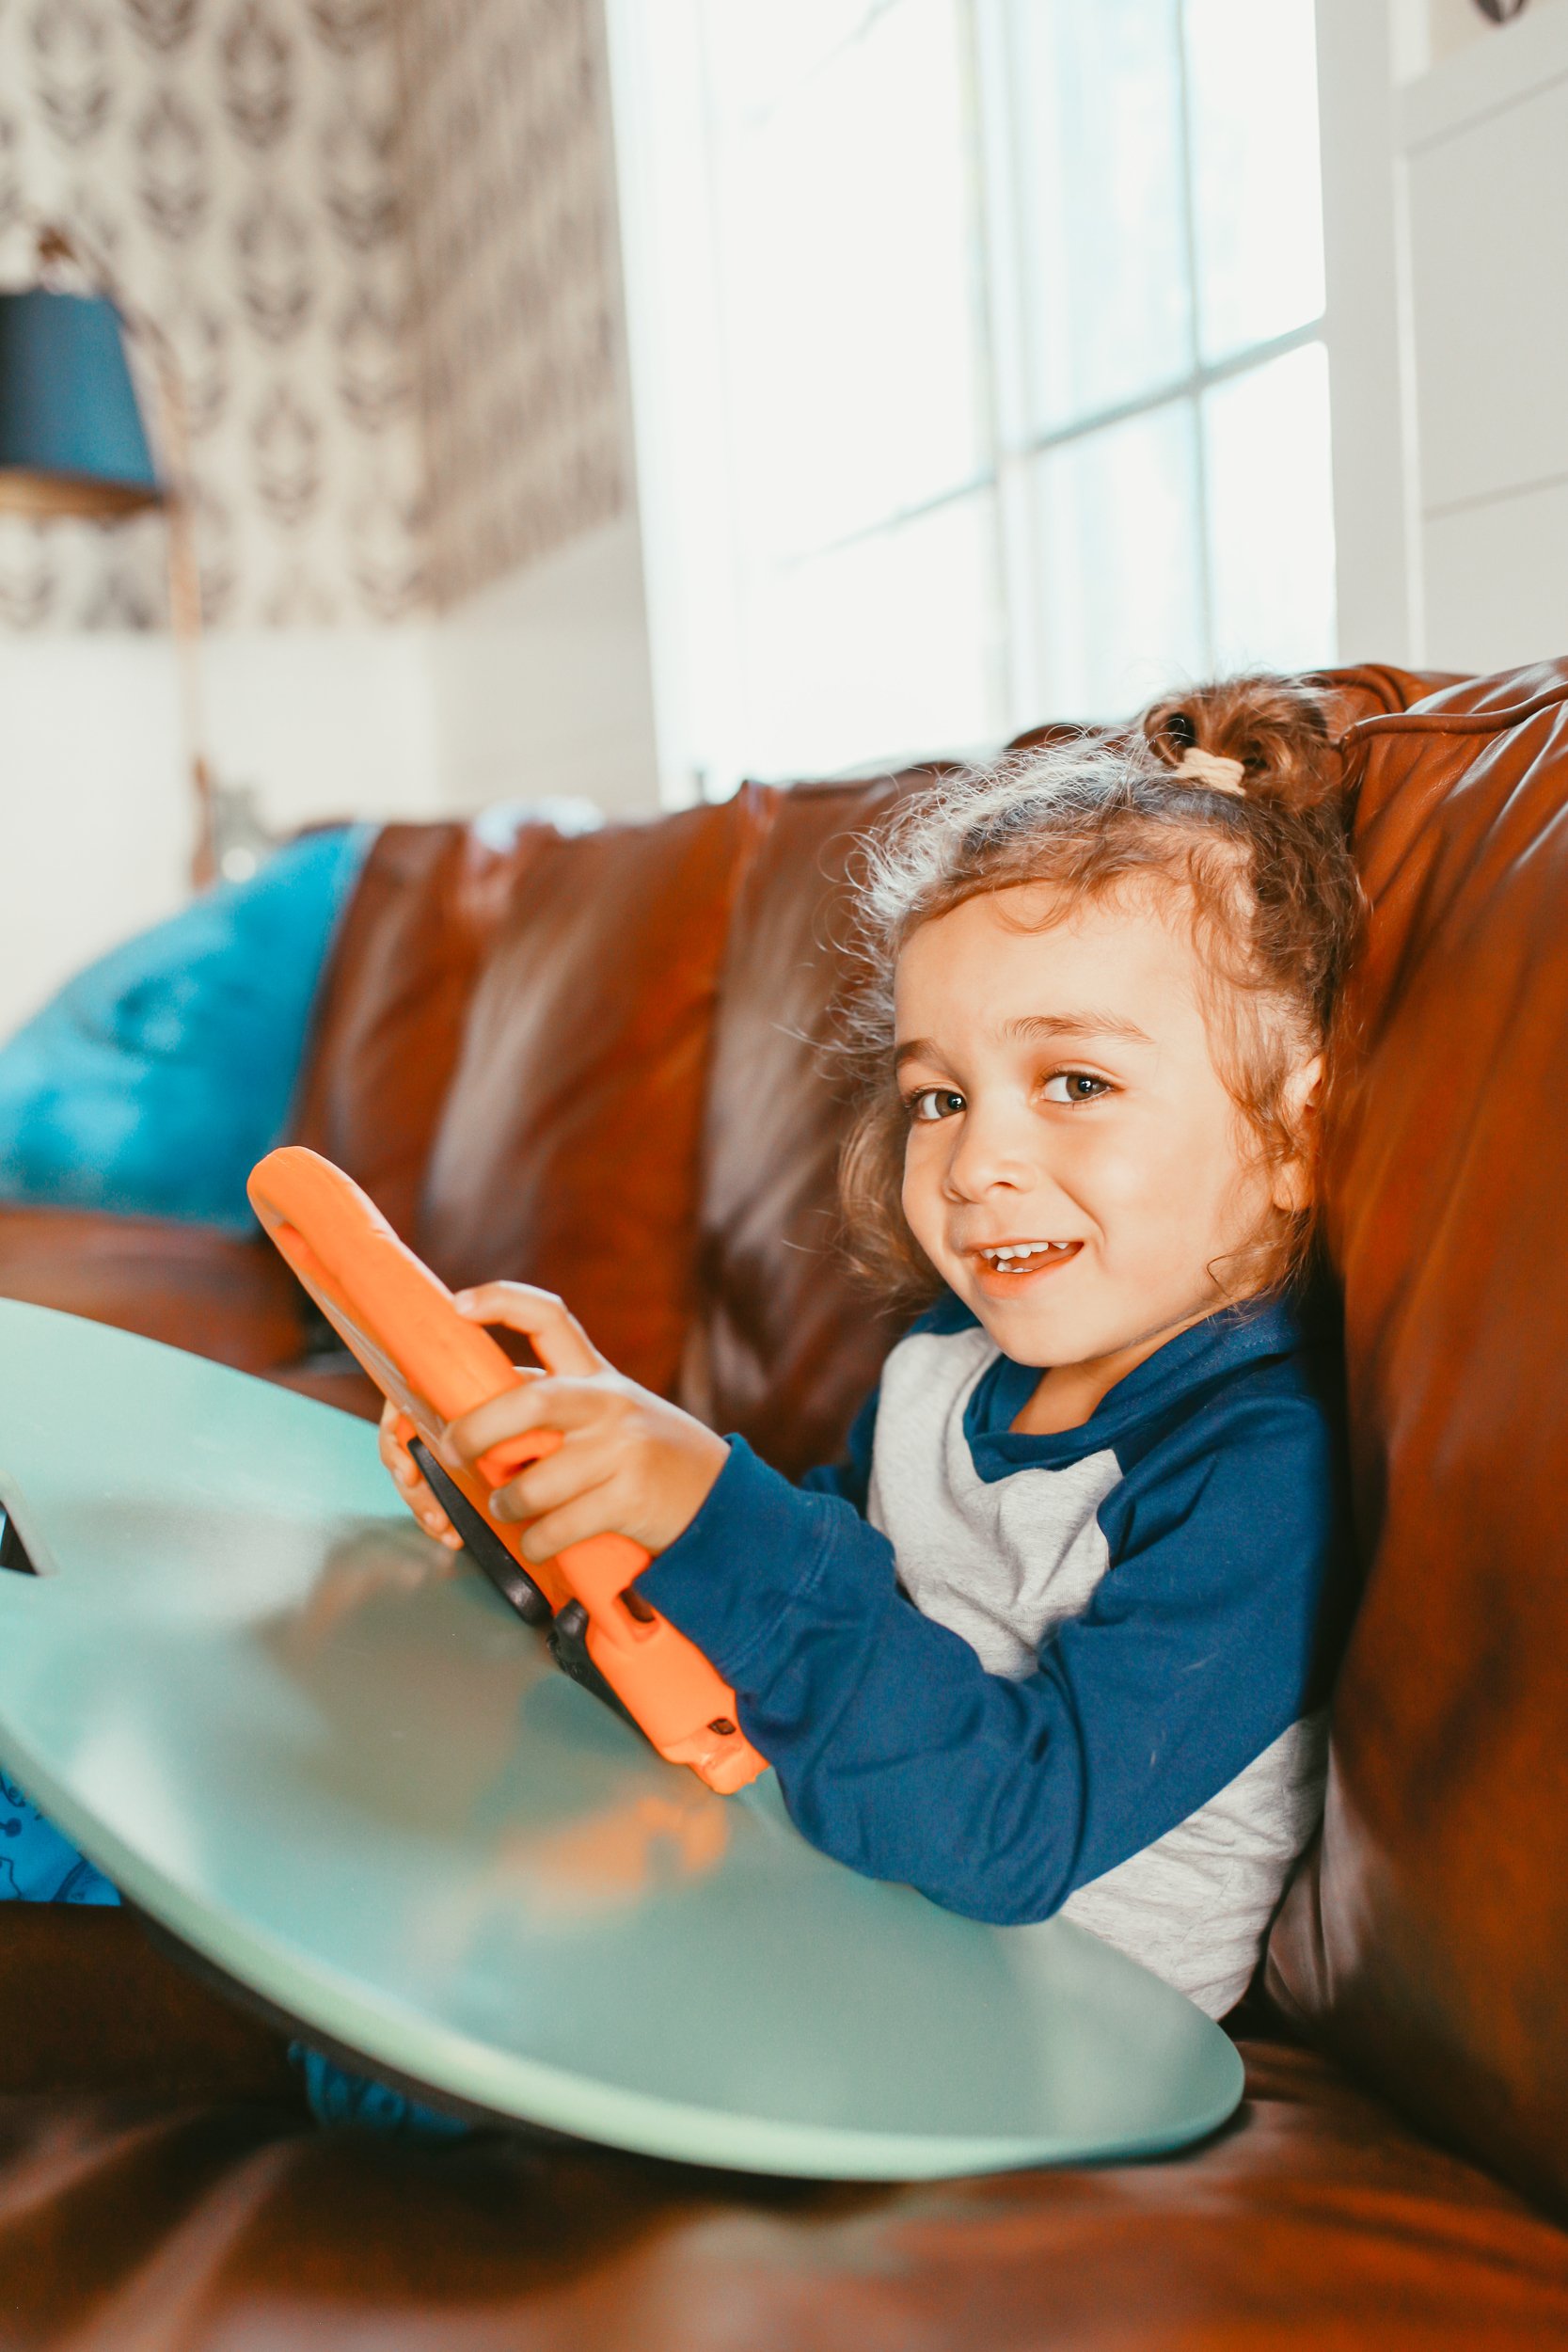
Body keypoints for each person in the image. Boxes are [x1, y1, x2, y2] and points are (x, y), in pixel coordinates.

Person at [388, 675, 1358, 2022]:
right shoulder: (942, 1370)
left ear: (1294, 1133)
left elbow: (1012, 1829)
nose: (977, 1161)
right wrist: (564, 1501)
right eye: (939, 1098)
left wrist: (715, 1512)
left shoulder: (1265, 1473)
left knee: (422, 2023)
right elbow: (791, 1625)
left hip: (1034, 2031)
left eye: (1074, 1083)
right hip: (829, 1921)